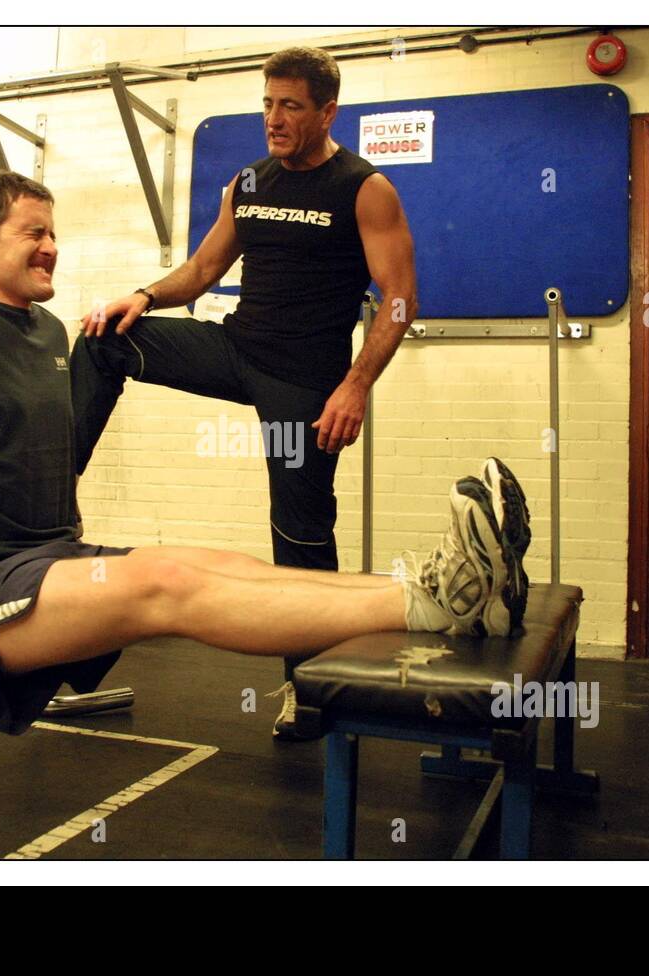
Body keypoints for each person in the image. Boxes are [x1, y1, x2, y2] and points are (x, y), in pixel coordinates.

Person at [0, 170, 530, 738]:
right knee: (165, 583)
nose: (52, 247)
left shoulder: (46, 334)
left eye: (53, 233)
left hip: (53, 557)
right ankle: (434, 604)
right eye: (33, 232)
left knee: (221, 563)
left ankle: (438, 591)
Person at [73, 47, 422, 739]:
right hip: (235, 351)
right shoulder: (250, 183)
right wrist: (143, 294)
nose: (274, 118)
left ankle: (310, 688)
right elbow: (202, 270)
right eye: (268, 103)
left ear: (327, 111)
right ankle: (49, 490)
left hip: (305, 383)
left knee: (299, 538)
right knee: (101, 338)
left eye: (290, 105)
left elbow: (404, 300)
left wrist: (355, 386)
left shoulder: (364, 187)